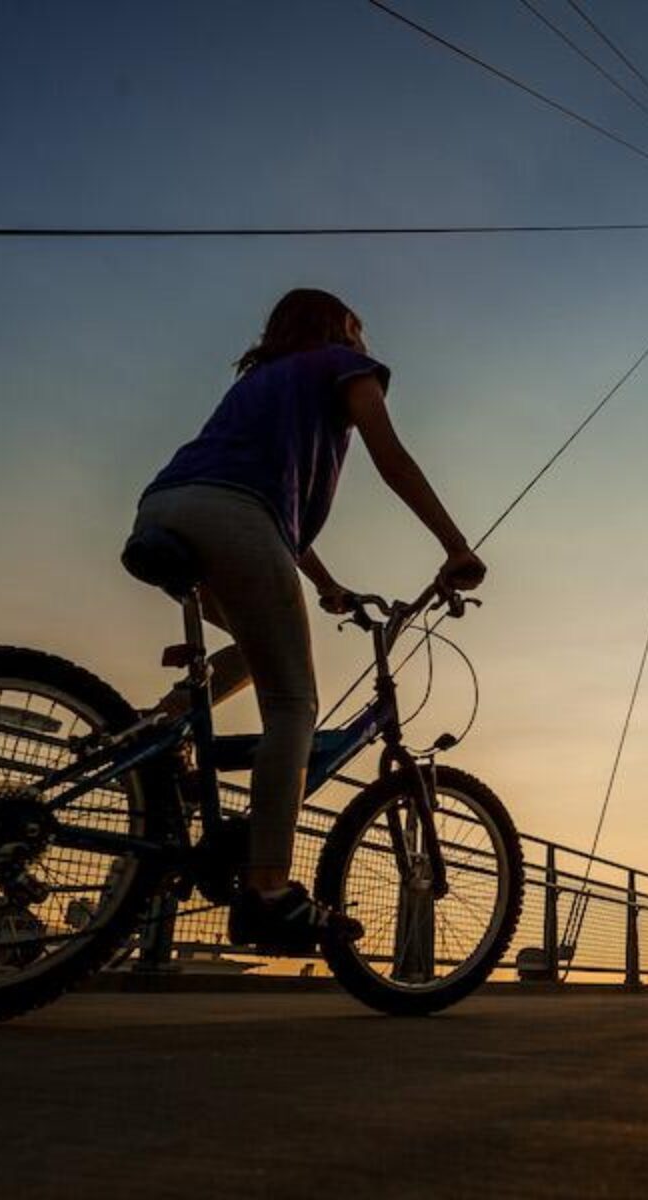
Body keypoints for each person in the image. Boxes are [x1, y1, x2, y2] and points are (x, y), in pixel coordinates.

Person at [129, 287, 484, 953]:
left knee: (249, 651)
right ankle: (268, 890)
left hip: (167, 506)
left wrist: (326, 586)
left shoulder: (262, 379)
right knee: (294, 703)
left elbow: (268, 505)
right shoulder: (343, 364)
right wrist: (455, 546)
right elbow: (390, 455)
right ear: (344, 328)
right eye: (359, 328)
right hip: (235, 519)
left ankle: (165, 726)